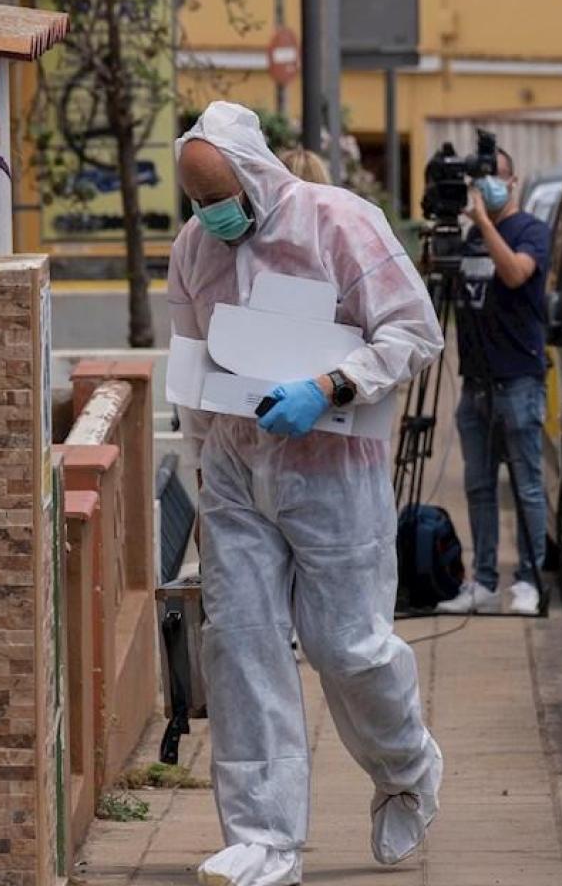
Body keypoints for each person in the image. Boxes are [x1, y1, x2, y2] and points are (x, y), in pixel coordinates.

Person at [169, 102, 446, 886]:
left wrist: (329, 385)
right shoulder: (194, 248)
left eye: (218, 196)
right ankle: (264, 839)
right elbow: (193, 363)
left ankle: (407, 767)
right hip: (234, 467)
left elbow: (414, 331)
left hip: (333, 468)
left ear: (254, 174)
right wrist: (202, 468)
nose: (209, 214)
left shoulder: (337, 223)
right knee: (241, 645)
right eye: (196, 200)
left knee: (346, 646)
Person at [435, 147, 550, 617]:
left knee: (526, 486)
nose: (485, 187)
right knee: (479, 487)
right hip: (476, 383)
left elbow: (516, 273)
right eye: (478, 180)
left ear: (513, 181)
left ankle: (529, 580)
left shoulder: (531, 231)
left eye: (494, 178)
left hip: (518, 380)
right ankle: (483, 580)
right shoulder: (469, 238)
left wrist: (484, 223)